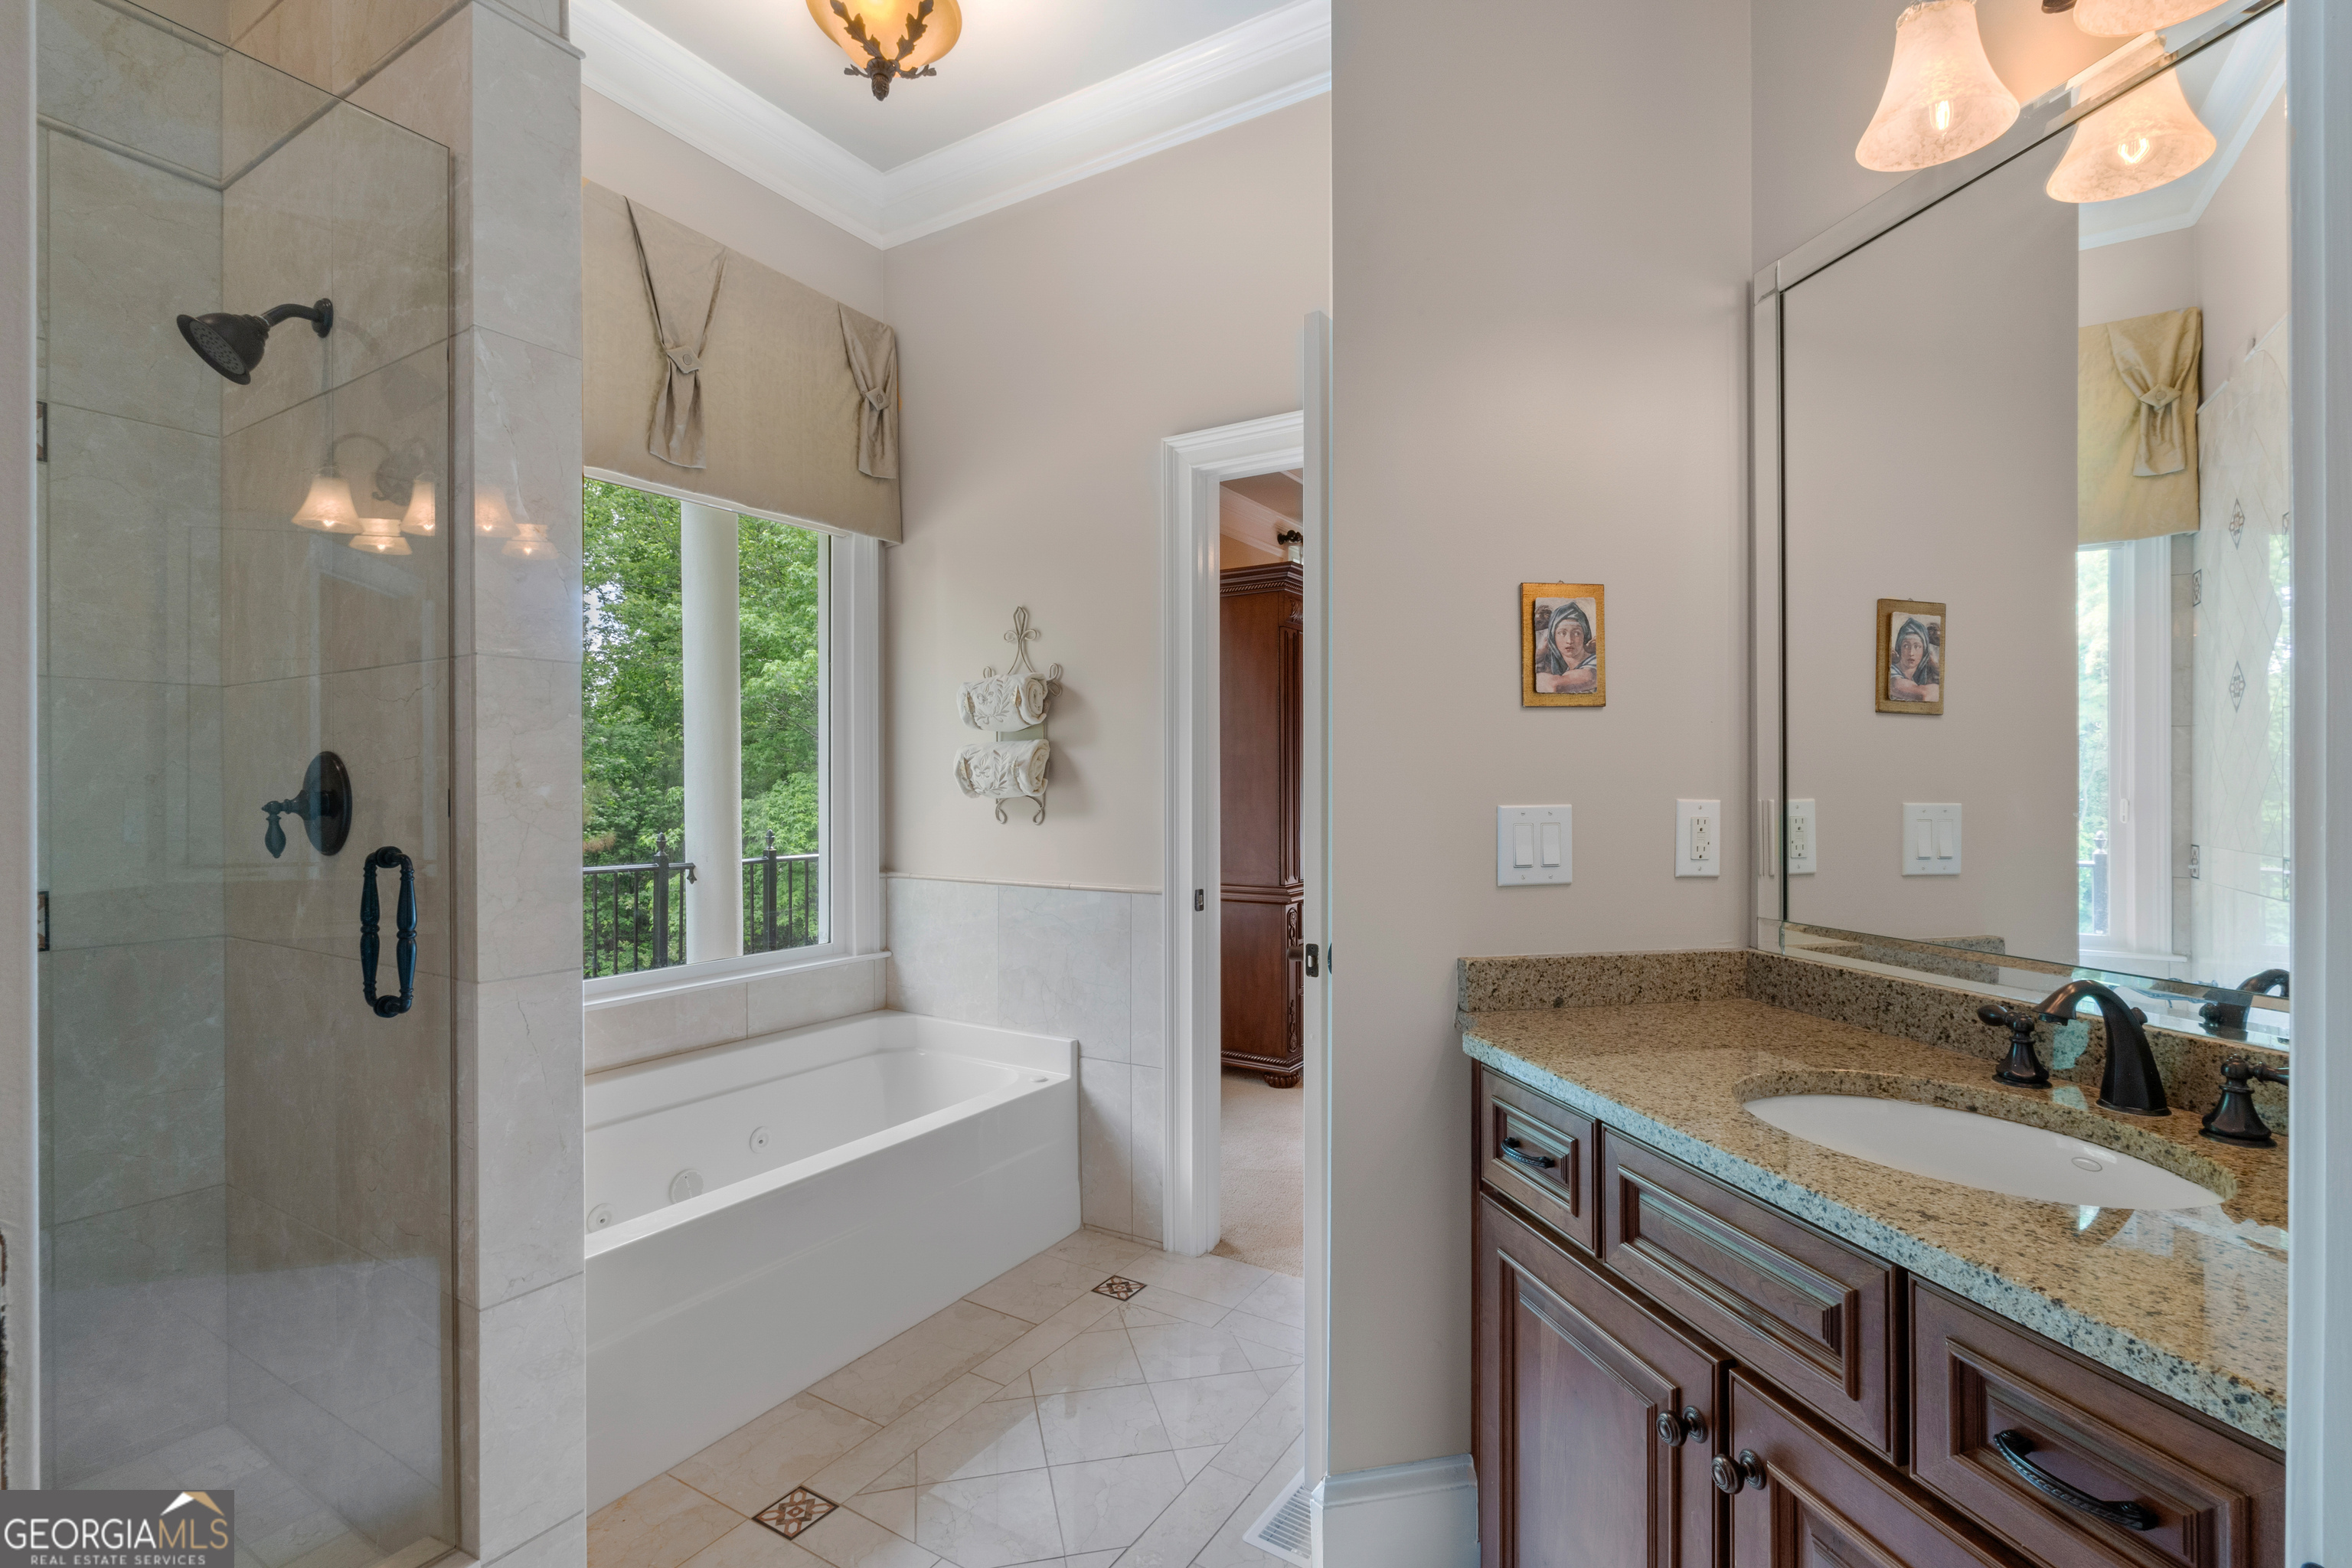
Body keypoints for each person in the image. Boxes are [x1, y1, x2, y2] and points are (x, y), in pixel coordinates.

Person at [1534, 600, 1599, 694]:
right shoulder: (1569, 670)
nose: (1569, 640)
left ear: (1585, 636)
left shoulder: (1595, 663)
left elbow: (1555, 686)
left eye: (1577, 633)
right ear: (1553, 638)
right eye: (1562, 633)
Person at [1888, 616, 1940, 701]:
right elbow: (1924, 695)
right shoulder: (1892, 674)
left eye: (1917, 646)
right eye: (1906, 646)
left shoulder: (1913, 679)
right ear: (1899, 648)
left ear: (1925, 651)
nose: (1911, 653)